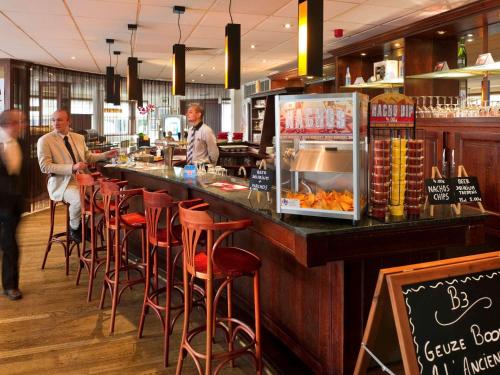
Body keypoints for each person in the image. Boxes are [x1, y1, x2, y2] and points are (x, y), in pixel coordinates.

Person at [37, 109, 117, 243]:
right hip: (62, 183)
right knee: (78, 200)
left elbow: (87, 157)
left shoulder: (79, 138)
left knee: (111, 196)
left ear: (69, 121)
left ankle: (88, 225)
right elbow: (45, 166)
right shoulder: (45, 140)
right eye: (53, 120)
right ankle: (74, 227)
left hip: (84, 180)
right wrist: (72, 168)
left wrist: (104, 155)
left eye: (60, 119)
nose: (56, 123)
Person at [0, 109, 27, 300]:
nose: (23, 125)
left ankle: (11, 285)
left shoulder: (22, 143)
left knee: (10, 244)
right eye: (20, 122)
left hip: (13, 204)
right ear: (9, 123)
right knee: (7, 244)